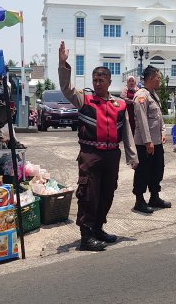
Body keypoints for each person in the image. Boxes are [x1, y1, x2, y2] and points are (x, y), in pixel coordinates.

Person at [58, 41, 138, 251]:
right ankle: (86, 236)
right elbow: (66, 89)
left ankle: (98, 228)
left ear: (110, 81)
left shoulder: (119, 104)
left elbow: (126, 131)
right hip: (90, 155)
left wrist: (132, 156)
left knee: (107, 193)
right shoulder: (84, 99)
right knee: (88, 194)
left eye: (101, 79)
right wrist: (63, 64)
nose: (98, 83)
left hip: (112, 155)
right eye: (95, 79)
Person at [132, 66, 170, 214]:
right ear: (150, 78)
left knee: (157, 170)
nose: (159, 80)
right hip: (145, 143)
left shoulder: (153, 94)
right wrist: (148, 141)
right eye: (158, 77)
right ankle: (139, 201)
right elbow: (141, 121)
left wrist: (163, 132)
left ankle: (154, 197)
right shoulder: (141, 95)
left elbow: (158, 117)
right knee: (143, 171)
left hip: (157, 142)